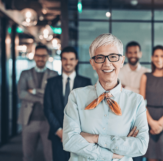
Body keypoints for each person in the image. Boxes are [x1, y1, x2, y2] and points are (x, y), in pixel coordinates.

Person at [62, 33, 149, 161]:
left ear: (121, 60)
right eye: (100, 58)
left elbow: (140, 146)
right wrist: (112, 153)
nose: (107, 63)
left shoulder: (136, 101)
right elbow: (69, 141)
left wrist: (96, 138)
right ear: (92, 63)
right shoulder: (76, 96)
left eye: (113, 57)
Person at [44, 46, 92, 161]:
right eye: (65, 59)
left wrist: (76, 132)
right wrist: (59, 131)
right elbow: (47, 109)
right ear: (61, 60)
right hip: (58, 134)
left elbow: (88, 109)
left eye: (71, 59)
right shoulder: (51, 83)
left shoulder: (86, 82)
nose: (68, 62)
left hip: (80, 135)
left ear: (76, 61)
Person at [17, 44, 58, 161]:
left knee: (50, 156)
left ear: (47, 57)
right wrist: (42, 98)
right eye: (38, 55)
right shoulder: (25, 73)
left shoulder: (54, 74)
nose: (40, 58)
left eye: (43, 56)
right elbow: (22, 93)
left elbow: (53, 95)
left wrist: (34, 91)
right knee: (27, 155)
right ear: (34, 56)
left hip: (48, 122)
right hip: (29, 121)